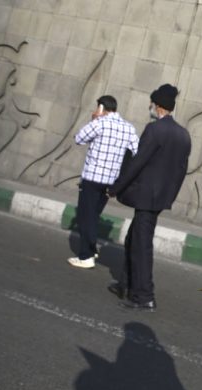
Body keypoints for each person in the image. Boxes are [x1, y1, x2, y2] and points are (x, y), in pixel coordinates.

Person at [107, 84, 192, 311]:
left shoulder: (154, 130)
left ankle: (144, 296)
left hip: (146, 197)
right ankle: (126, 284)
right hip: (161, 199)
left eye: (152, 103)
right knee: (133, 239)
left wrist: (115, 188)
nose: (150, 107)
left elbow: (137, 163)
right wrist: (169, 197)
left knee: (141, 246)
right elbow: (181, 171)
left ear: (159, 106)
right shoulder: (183, 135)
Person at [68, 95, 138, 269]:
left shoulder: (99, 123)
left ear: (101, 108)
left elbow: (79, 139)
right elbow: (136, 151)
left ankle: (86, 256)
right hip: (111, 182)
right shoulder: (128, 128)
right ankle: (90, 250)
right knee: (93, 215)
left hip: (93, 178)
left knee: (85, 216)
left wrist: (94, 120)